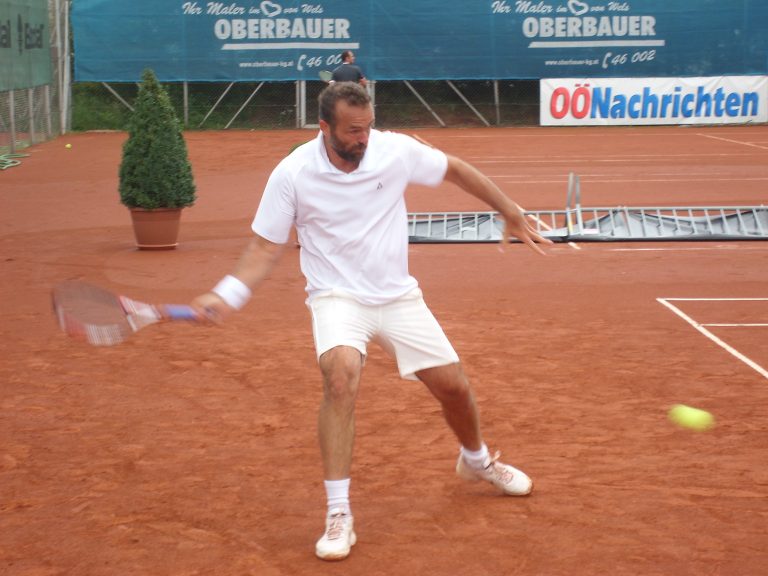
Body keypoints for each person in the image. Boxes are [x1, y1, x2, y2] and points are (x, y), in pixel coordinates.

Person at [192, 82, 552, 561]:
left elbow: (455, 170)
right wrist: (229, 293)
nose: (363, 138)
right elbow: (263, 246)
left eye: (367, 127)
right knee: (340, 372)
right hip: (337, 296)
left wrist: (508, 209)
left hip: (397, 295)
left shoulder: (393, 151)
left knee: (454, 387)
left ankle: (477, 461)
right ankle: (339, 512)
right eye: (353, 131)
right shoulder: (293, 173)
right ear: (325, 127)